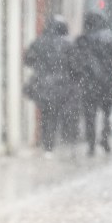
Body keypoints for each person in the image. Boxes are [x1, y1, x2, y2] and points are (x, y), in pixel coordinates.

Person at [74, 11, 112, 156]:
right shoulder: (110, 39)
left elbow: (77, 62)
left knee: (90, 115)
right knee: (107, 113)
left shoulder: (82, 40)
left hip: (89, 84)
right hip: (107, 83)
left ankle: (91, 144)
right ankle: (105, 138)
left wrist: (78, 78)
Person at [23, 16, 73, 156]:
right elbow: (73, 65)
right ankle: (50, 143)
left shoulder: (39, 42)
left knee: (45, 113)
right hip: (60, 85)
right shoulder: (67, 44)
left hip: (41, 84)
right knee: (54, 113)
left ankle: (47, 141)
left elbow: (28, 59)